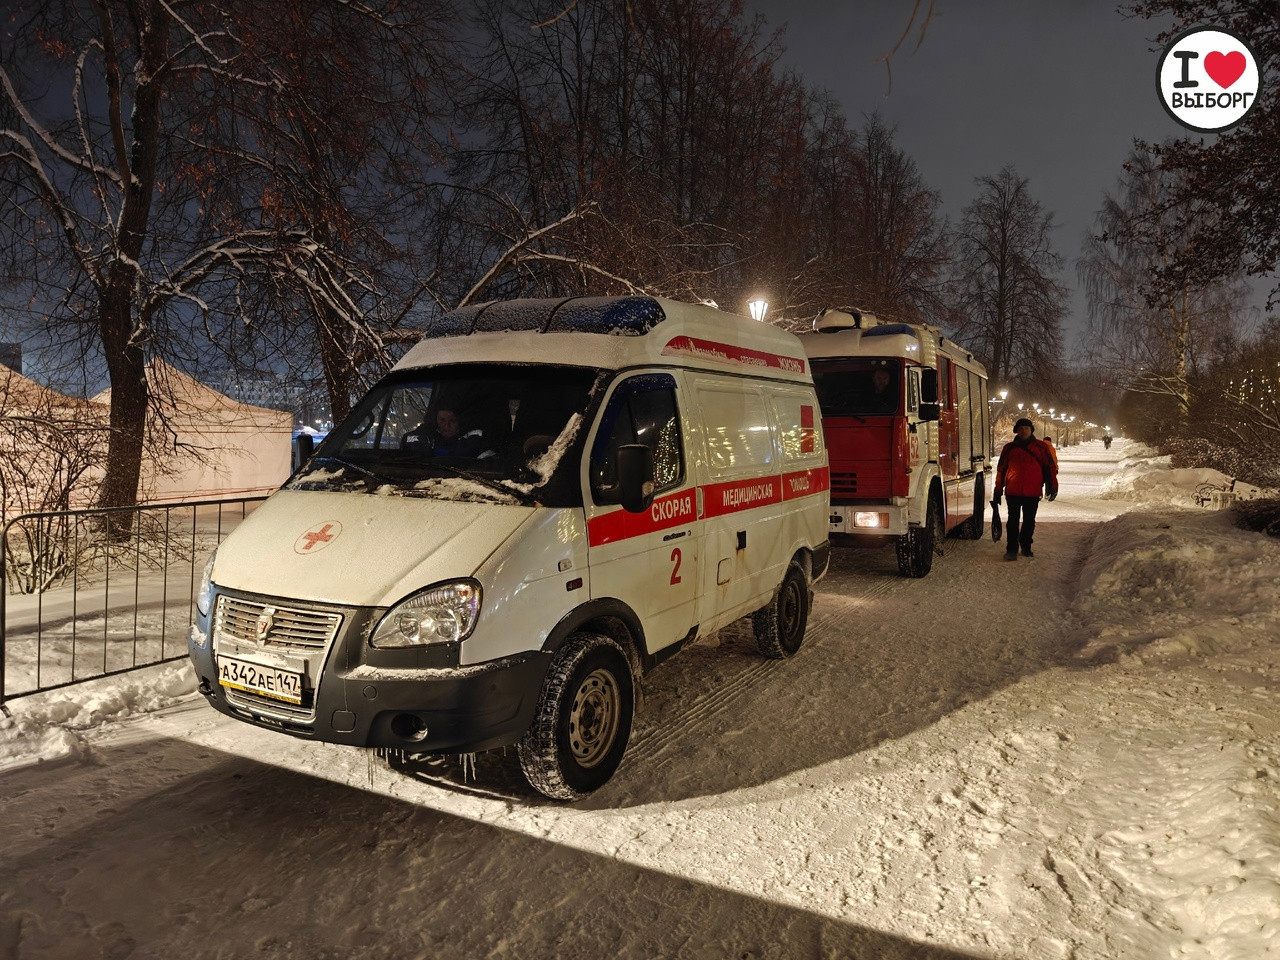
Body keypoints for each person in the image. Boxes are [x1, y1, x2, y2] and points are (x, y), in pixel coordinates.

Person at [993, 417, 1058, 560]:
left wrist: (1053, 486)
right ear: (1016, 431)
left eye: (1026, 428)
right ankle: (1011, 549)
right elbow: (1001, 470)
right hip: (1013, 491)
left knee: (1029, 521)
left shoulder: (1041, 447)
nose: (1024, 431)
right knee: (1012, 521)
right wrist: (998, 490)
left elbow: (1050, 468)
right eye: (1021, 429)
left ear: (1031, 430)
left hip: (1032, 491)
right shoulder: (1009, 448)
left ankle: (1026, 546)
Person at [403, 407, 496, 459]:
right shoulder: (424, 435)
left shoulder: (475, 439)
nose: (446, 425)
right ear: (435, 420)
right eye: (442, 420)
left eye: (452, 421)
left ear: (460, 421)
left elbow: (490, 466)